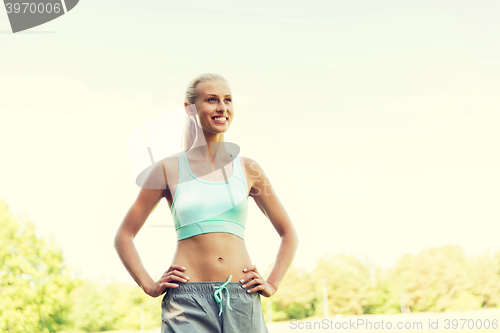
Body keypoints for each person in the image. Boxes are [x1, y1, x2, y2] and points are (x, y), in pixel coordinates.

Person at [114, 73, 299, 332]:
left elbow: (288, 233)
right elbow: (124, 235)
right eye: (212, 100)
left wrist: (273, 283)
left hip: (242, 297)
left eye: (228, 100)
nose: (222, 107)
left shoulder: (249, 169)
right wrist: (149, 285)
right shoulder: (167, 169)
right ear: (190, 109)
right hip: (186, 302)